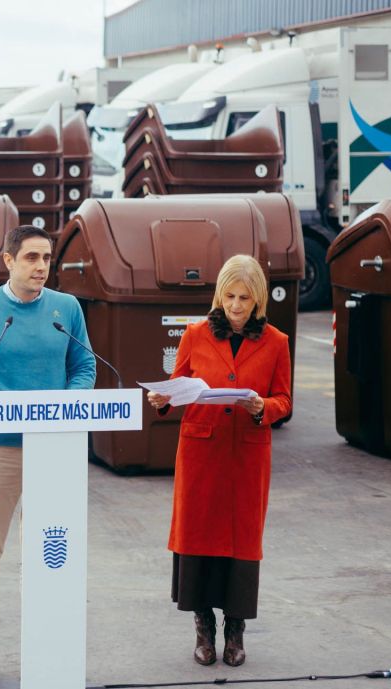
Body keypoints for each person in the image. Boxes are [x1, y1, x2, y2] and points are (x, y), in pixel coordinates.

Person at [0, 224, 96, 688]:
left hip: (54, 452)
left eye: (47, 258)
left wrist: (67, 404)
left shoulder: (66, 309)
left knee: (51, 551)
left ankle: (49, 642)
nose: (40, 267)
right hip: (0, 450)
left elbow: (85, 367)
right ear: (8, 260)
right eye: (31, 258)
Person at [147, 254, 292, 668]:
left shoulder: (277, 342)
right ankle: (203, 629)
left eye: (244, 298)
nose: (235, 305)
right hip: (201, 453)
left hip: (246, 456)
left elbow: (284, 399)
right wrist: (163, 397)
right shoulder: (194, 335)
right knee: (199, 539)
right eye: (229, 296)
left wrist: (261, 405)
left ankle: (235, 631)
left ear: (258, 299)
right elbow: (178, 383)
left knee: (241, 543)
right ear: (219, 295)